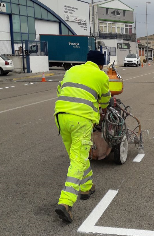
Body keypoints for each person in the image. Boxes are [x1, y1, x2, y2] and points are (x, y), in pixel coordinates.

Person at [54, 50, 111, 223]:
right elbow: (106, 99)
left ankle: (86, 187)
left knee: (76, 154)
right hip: (81, 119)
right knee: (79, 158)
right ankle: (66, 202)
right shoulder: (101, 75)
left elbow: (59, 89)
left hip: (61, 116)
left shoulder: (72, 70)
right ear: (101, 65)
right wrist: (102, 108)